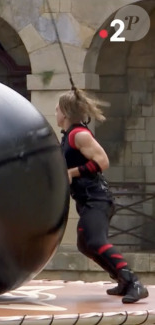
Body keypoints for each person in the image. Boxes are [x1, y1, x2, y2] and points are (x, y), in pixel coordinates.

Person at [56, 88, 148, 304]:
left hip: (97, 199)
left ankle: (133, 281)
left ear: (66, 112)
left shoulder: (80, 134)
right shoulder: (68, 136)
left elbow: (102, 162)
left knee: (95, 241)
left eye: (58, 109)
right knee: (84, 244)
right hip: (87, 201)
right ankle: (122, 280)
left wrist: (72, 172)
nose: (55, 112)